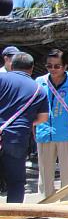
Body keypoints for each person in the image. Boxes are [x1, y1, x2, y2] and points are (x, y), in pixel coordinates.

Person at [34, 49, 68, 201]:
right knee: (45, 174)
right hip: (44, 133)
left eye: (57, 66)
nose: (53, 69)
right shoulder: (39, 82)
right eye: (49, 66)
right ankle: (46, 204)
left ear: (65, 67)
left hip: (67, 134)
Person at [0, 53, 48, 202]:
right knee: (16, 182)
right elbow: (43, 118)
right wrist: (25, 122)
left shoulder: (1, 79)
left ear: (11, 66)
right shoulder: (39, 90)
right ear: (32, 68)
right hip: (17, 139)